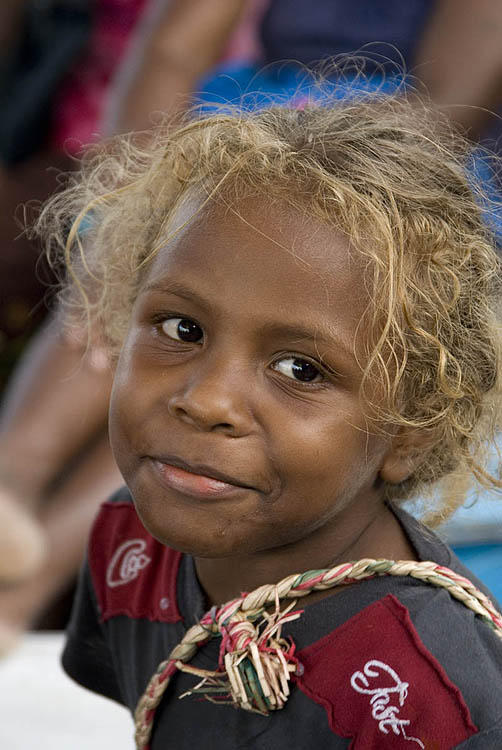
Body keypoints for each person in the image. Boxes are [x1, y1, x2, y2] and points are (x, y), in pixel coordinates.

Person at [35, 86, 502, 748]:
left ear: (410, 427)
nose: (206, 400)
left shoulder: (428, 694)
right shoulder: (132, 544)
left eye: (301, 371)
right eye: (181, 326)